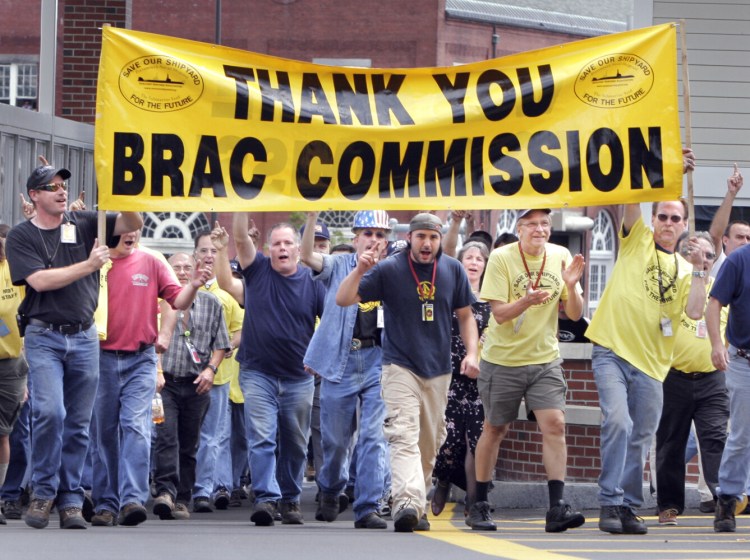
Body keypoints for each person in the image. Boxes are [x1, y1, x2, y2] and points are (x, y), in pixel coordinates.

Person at [5, 164, 143, 529]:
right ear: (34, 195)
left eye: (63, 185)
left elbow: (134, 223)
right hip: (43, 336)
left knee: (80, 424)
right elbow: (40, 281)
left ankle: (70, 500)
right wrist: (88, 265)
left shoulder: (86, 223)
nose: (61, 191)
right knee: (51, 413)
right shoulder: (21, 236)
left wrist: (123, 192)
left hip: (83, 337)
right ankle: (43, 492)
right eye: (51, 186)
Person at [584, 149, 710, 536]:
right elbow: (632, 194)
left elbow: (691, 313)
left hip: (653, 365)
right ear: (653, 221)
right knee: (619, 422)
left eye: (675, 218)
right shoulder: (636, 239)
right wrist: (670, 170)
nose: (668, 223)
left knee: (641, 437)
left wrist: (703, 274)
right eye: (663, 216)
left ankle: (627, 506)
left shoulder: (687, 268)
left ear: (684, 225)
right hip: (612, 351)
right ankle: (608, 502)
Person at [336, 212, 479, 533]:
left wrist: (472, 353)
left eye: (433, 237)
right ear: (410, 238)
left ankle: (416, 503)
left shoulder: (453, 269)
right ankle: (405, 503)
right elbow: (343, 299)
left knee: (428, 444)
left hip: (439, 370)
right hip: (399, 366)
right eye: (421, 237)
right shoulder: (389, 269)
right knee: (403, 436)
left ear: (440, 240)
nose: (427, 243)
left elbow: (466, 315)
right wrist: (360, 269)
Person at [469, 209, 586, 533]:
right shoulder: (502, 258)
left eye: (545, 223)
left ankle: (556, 507)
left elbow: (574, 315)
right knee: (495, 429)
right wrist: (527, 300)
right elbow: (500, 314)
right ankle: (478, 502)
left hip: (544, 359)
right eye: (532, 224)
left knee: (556, 424)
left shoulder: (561, 255)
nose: (539, 229)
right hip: (503, 359)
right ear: (519, 229)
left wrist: (572, 287)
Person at [89, 231, 210, 527]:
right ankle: (106, 503)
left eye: (136, 228)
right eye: (124, 226)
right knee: (104, 432)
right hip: (101, 357)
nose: (130, 234)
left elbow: (176, 299)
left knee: (136, 427)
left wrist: (193, 284)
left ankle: (131, 499)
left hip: (140, 358)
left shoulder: (153, 261)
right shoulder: (96, 261)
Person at [217, 214, 325, 527]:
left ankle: (290, 499)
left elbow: (330, 322)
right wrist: (243, 202)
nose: (281, 248)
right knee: (262, 437)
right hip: (257, 372)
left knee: (294, 442)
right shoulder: (259, 270)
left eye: (287, 243)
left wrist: (322, 360)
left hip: (298, 376)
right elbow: (240, 239)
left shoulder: (312, 281)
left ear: (296, 249)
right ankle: (266, 498)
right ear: (268, 248)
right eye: (275, 243)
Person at [302, 210, 391, 530]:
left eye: (381, 235)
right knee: (336, 441)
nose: (374, 241)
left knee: (373, 435)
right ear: (355, 240)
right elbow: (304, 255)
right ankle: (330, 488)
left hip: (379, 360)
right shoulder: (339, 265)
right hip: (341, 360)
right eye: (368, 234)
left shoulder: (393, 269)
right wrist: (312, 218)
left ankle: (368, 506)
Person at [655, 232, 729, 526]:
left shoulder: (723, 294)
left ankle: (724, 501)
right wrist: (694, 270)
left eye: (709, 256)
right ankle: (669, 507)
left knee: (716, 440)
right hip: (674, 378)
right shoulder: (670, 290)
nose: (704, 260)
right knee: (671, 444)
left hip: (713, 380)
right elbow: (690, 312)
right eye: (696, 254)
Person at [151, 252, 229, 521]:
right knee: (165, 438)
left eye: (187, 267)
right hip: (166, 384)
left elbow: (221, 344)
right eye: (176, 268)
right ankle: (165, 492)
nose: (183, 272)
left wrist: (211, 369)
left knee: (189, 443)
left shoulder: (211, 303)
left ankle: (184, 497)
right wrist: (156, 370)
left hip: (196, 386)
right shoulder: (158, 303)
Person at [430, 241, 491, 520]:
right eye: (469, 257)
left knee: (477, 442)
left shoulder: (491, 298)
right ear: (460, 261)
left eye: (480, 258)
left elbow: (495, 330)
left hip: (479, 379)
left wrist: (479, 351)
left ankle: (474, 498)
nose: (474, 262)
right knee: (449, 440)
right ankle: (441, 481)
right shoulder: (449, 292)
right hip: (450, 375)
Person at [191, 232, 244, 513]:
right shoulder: (183, 288)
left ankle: (211, 488)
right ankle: (185, 486)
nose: (208, 256)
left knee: (215, 436)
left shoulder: (227, 293)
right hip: (183, 376)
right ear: (194, 255)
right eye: (203, 251)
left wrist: (227, 347)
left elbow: (240, 328)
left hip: (219, 375)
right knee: (188, 436)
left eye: (213, 251)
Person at [707, 243, 750, 532]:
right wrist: (716, 344)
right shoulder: (738, 260)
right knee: (743, 435)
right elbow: (714, 304)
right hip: (744, 360)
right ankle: (727, 500)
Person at [0, 225, 28, 526]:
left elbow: (28, 314)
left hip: (10, 364)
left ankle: (3, 497)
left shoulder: (13, 269)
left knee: (3, 433)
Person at [708, 165, 747, 278]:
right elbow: (715, 235)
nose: (745, 242)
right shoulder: (721, 263)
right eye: (739, 237)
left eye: (748, 238)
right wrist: (731, 194)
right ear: (725, 240)